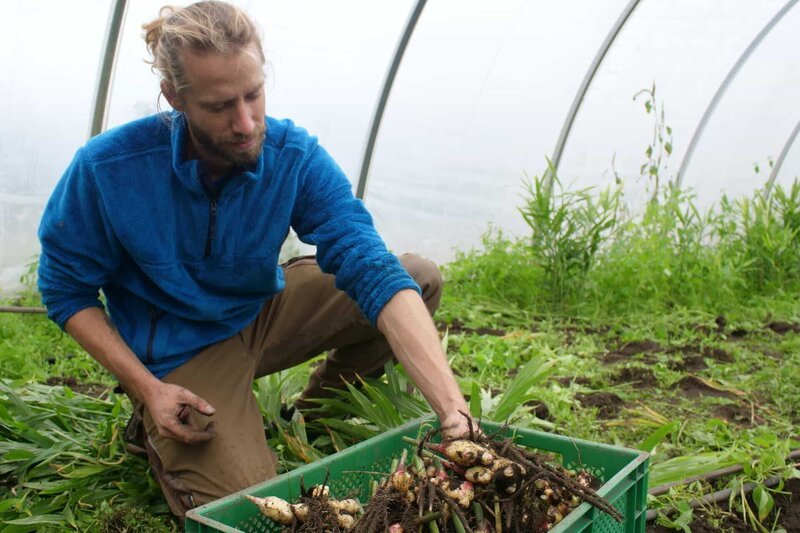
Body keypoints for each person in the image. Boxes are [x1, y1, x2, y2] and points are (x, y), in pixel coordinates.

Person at [37, 0, 471, 519]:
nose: (245, 123)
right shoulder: (110, 169)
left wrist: (453, 413)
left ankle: (313, 416)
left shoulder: (293, 156)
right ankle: (151, 424)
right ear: (176, 97)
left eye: (253, 95)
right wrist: (147, 388)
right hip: (179, 351)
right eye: (220, 106)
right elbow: (66, 290)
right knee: (253, 510)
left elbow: (365, 260)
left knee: (412, 279)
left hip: (259, 312)